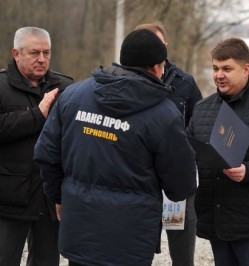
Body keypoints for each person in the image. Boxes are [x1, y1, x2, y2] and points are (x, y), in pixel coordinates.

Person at [33, 28, 197, 266]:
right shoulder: (164, 114)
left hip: (80, 231)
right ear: (156, 67)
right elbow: (181, 184)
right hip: (131, 241)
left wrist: (59, 197)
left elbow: (46, 154)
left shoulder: (72, 97)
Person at [186, 37, 249, 266]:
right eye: (215, 68)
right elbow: (187, 151)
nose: (218, 75)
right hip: (216, 219)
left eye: (226, 69)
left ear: (245, 69)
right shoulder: (202, 109)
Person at [0, 26, 73, 266]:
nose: (42, 59)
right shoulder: (0, 86)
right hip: (10, 197)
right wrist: (38, 114)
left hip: (51, 197)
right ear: (16, 53)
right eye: (34, 53)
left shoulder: (65, 87)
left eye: (46, 53)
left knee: (47, 261)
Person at [135, 21, 203, 266]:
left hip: (178, 184)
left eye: (159, 43)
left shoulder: (185, 82)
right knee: (137, 251)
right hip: (140, 182)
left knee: (182, 254)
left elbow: (200, 126)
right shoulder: (126, 85)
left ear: (166, 45)